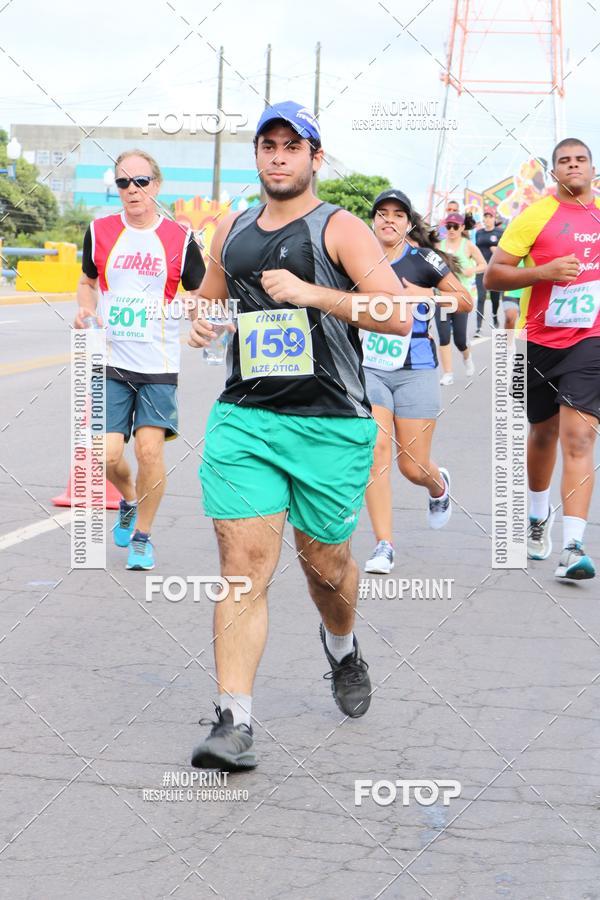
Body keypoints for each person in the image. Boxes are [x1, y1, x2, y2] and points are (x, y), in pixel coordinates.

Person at [187, 101, 413, 770]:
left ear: (315, 158)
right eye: (269, 144)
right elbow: (213, 294)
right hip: (246, 420)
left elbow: (397, 315)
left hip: (331, 426)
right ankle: (234, 721)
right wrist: (201, 321)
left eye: (293, 146)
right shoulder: (231, 228)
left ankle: (342, 647)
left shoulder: (339, 229)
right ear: (258, 156)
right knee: (243, 569)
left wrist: (314, 294)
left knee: (327, 570)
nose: (279, 156)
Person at [75, 150, 205, 570]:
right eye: (124, 183)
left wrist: (200, 318)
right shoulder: (99, 231)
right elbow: (87, 282)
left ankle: (143, 537)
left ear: (157, 185)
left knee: (149, 452)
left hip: (158, 364)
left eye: (141, 181)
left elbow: (202, 293)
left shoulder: (179, 240)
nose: (133, 190)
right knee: (107, 454)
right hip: (111, 359)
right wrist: (85, 309)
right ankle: (129, 500)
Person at [485, 137, 599, 580]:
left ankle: (573, 546)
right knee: (543, 432)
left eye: (581, 159)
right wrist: (543, 273)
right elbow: (494, 275)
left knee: (579, 436)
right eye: (564, 161)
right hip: (539, 340)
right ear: (554, 172)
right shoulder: (534, 216)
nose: (573, 166)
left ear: (592, 168)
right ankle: (537, 514)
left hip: (591, 338)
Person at [363, 190, 472, 574]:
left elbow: (464, 301)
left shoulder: (423, 259)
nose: (388, 220)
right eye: (381, 214)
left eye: (397, 215)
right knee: (374, 451)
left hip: (416, 369)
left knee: (411, 466)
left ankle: (437, 485)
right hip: (369, 367)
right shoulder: (358, 256)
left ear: (408, 223)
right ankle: (383, 545)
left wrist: (428, 297)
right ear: (373, 219)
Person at [435, 213, 484, 385]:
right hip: (441, 297)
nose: (451, 230)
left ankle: (467, 356)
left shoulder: (468, 246)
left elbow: (484, 265)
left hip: (461, 298)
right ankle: (448, 373)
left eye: (455, 226)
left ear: (462, 228)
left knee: (460, 340)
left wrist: (472, 270)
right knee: (443, 336)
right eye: (448, 226)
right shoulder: (438, 245)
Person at [473, 207, 503, 336]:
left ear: (494, 218)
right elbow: (475, 249)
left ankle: (495, 317)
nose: (487, 219)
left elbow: (506, 250)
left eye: (490, 216)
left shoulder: (500, 232)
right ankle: (478, 327)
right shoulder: (479, 233)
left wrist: (497, 251)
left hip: (495, 270)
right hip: (481, 269)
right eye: (485, 216)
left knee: (495, 299)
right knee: (481, 297)